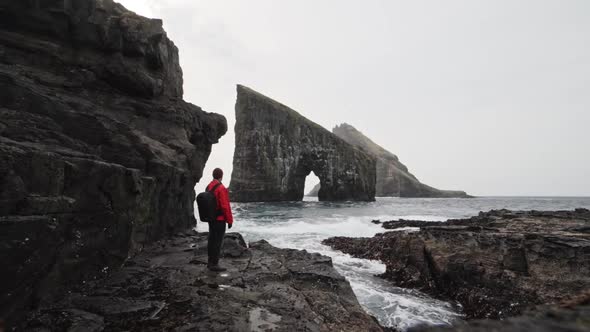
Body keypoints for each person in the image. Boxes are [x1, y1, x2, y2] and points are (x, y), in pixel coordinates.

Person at [205, 168, 234, 272]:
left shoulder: (209, 186)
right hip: (219, 219)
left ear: (213, 175)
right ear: (221, 175)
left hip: (211, 218)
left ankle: (210, 262)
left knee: (211, 239)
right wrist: (230, 220)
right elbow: (225, 206)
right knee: (218, 241)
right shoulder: (221, 188)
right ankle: (215, 264)